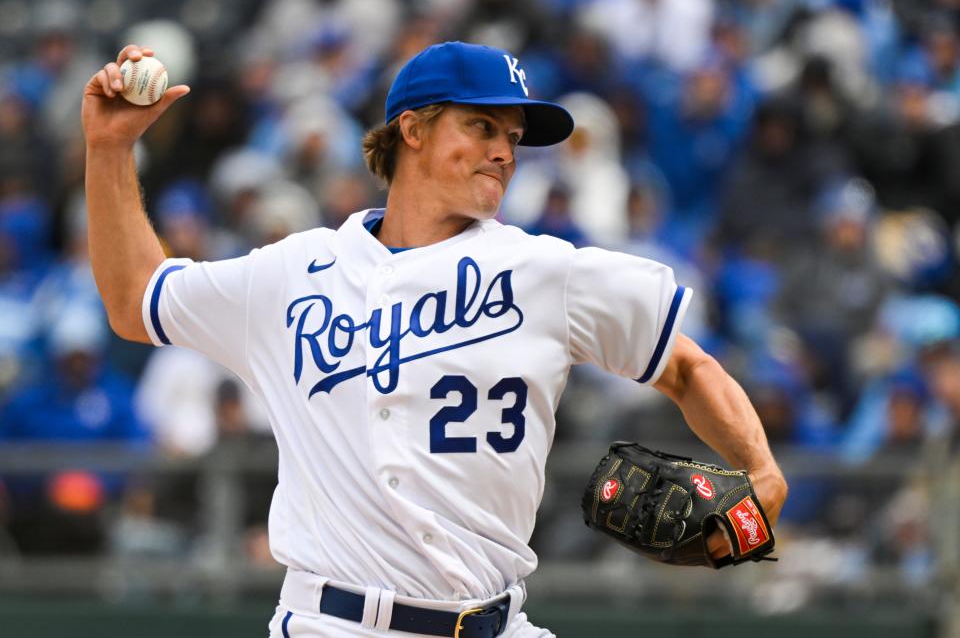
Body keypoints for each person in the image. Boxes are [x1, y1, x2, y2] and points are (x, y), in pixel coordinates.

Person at [83, 42, 787, 638]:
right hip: (335, 623)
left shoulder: (549, 272)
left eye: (512, 137)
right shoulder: (291, 275)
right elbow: (133, 297)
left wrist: (760, 470)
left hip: (498, 618)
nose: (503, 153)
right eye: (481, 127)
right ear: (412, 129)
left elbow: (687, 367)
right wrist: (110, 148)